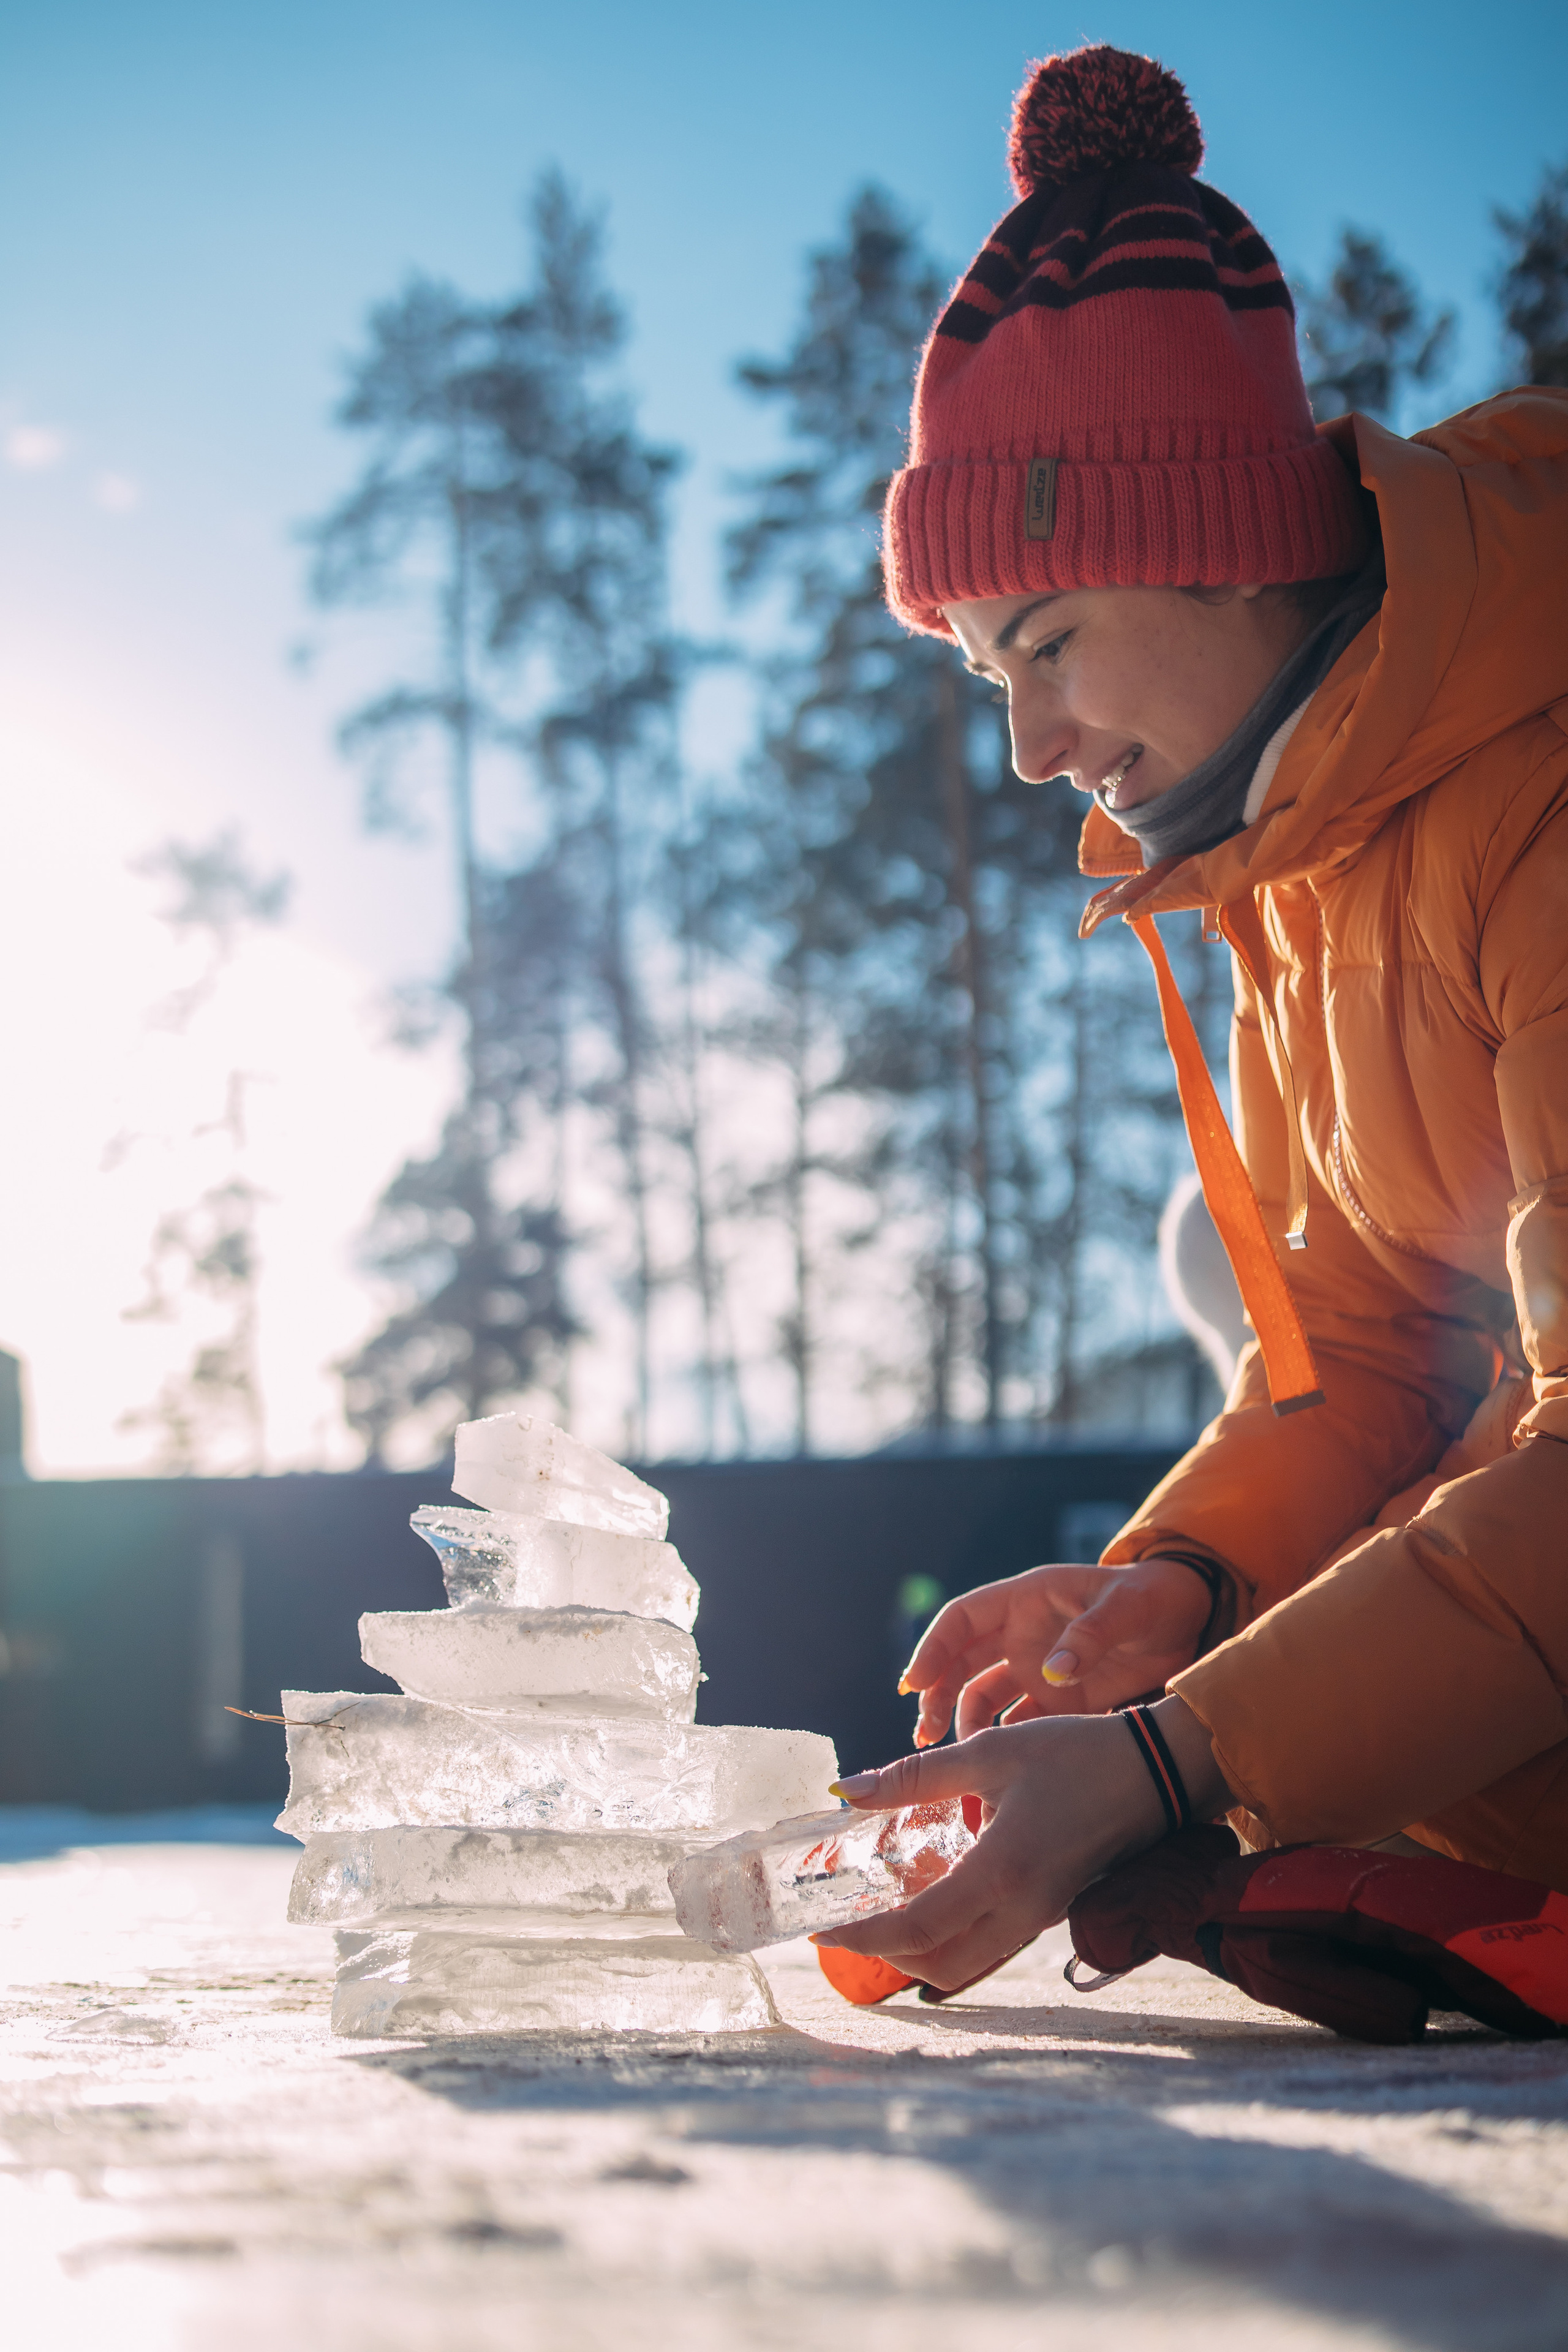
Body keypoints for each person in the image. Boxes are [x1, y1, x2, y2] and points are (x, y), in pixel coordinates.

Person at [815, 42, 1568, 1999]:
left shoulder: (1541, 800)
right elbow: (1367, 1351)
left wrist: (1185, 1757)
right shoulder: (1292, 864)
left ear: (1227, 528)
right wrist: (1182, 1589)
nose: (1032, 746)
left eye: (1045, 643)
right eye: (991, 675)